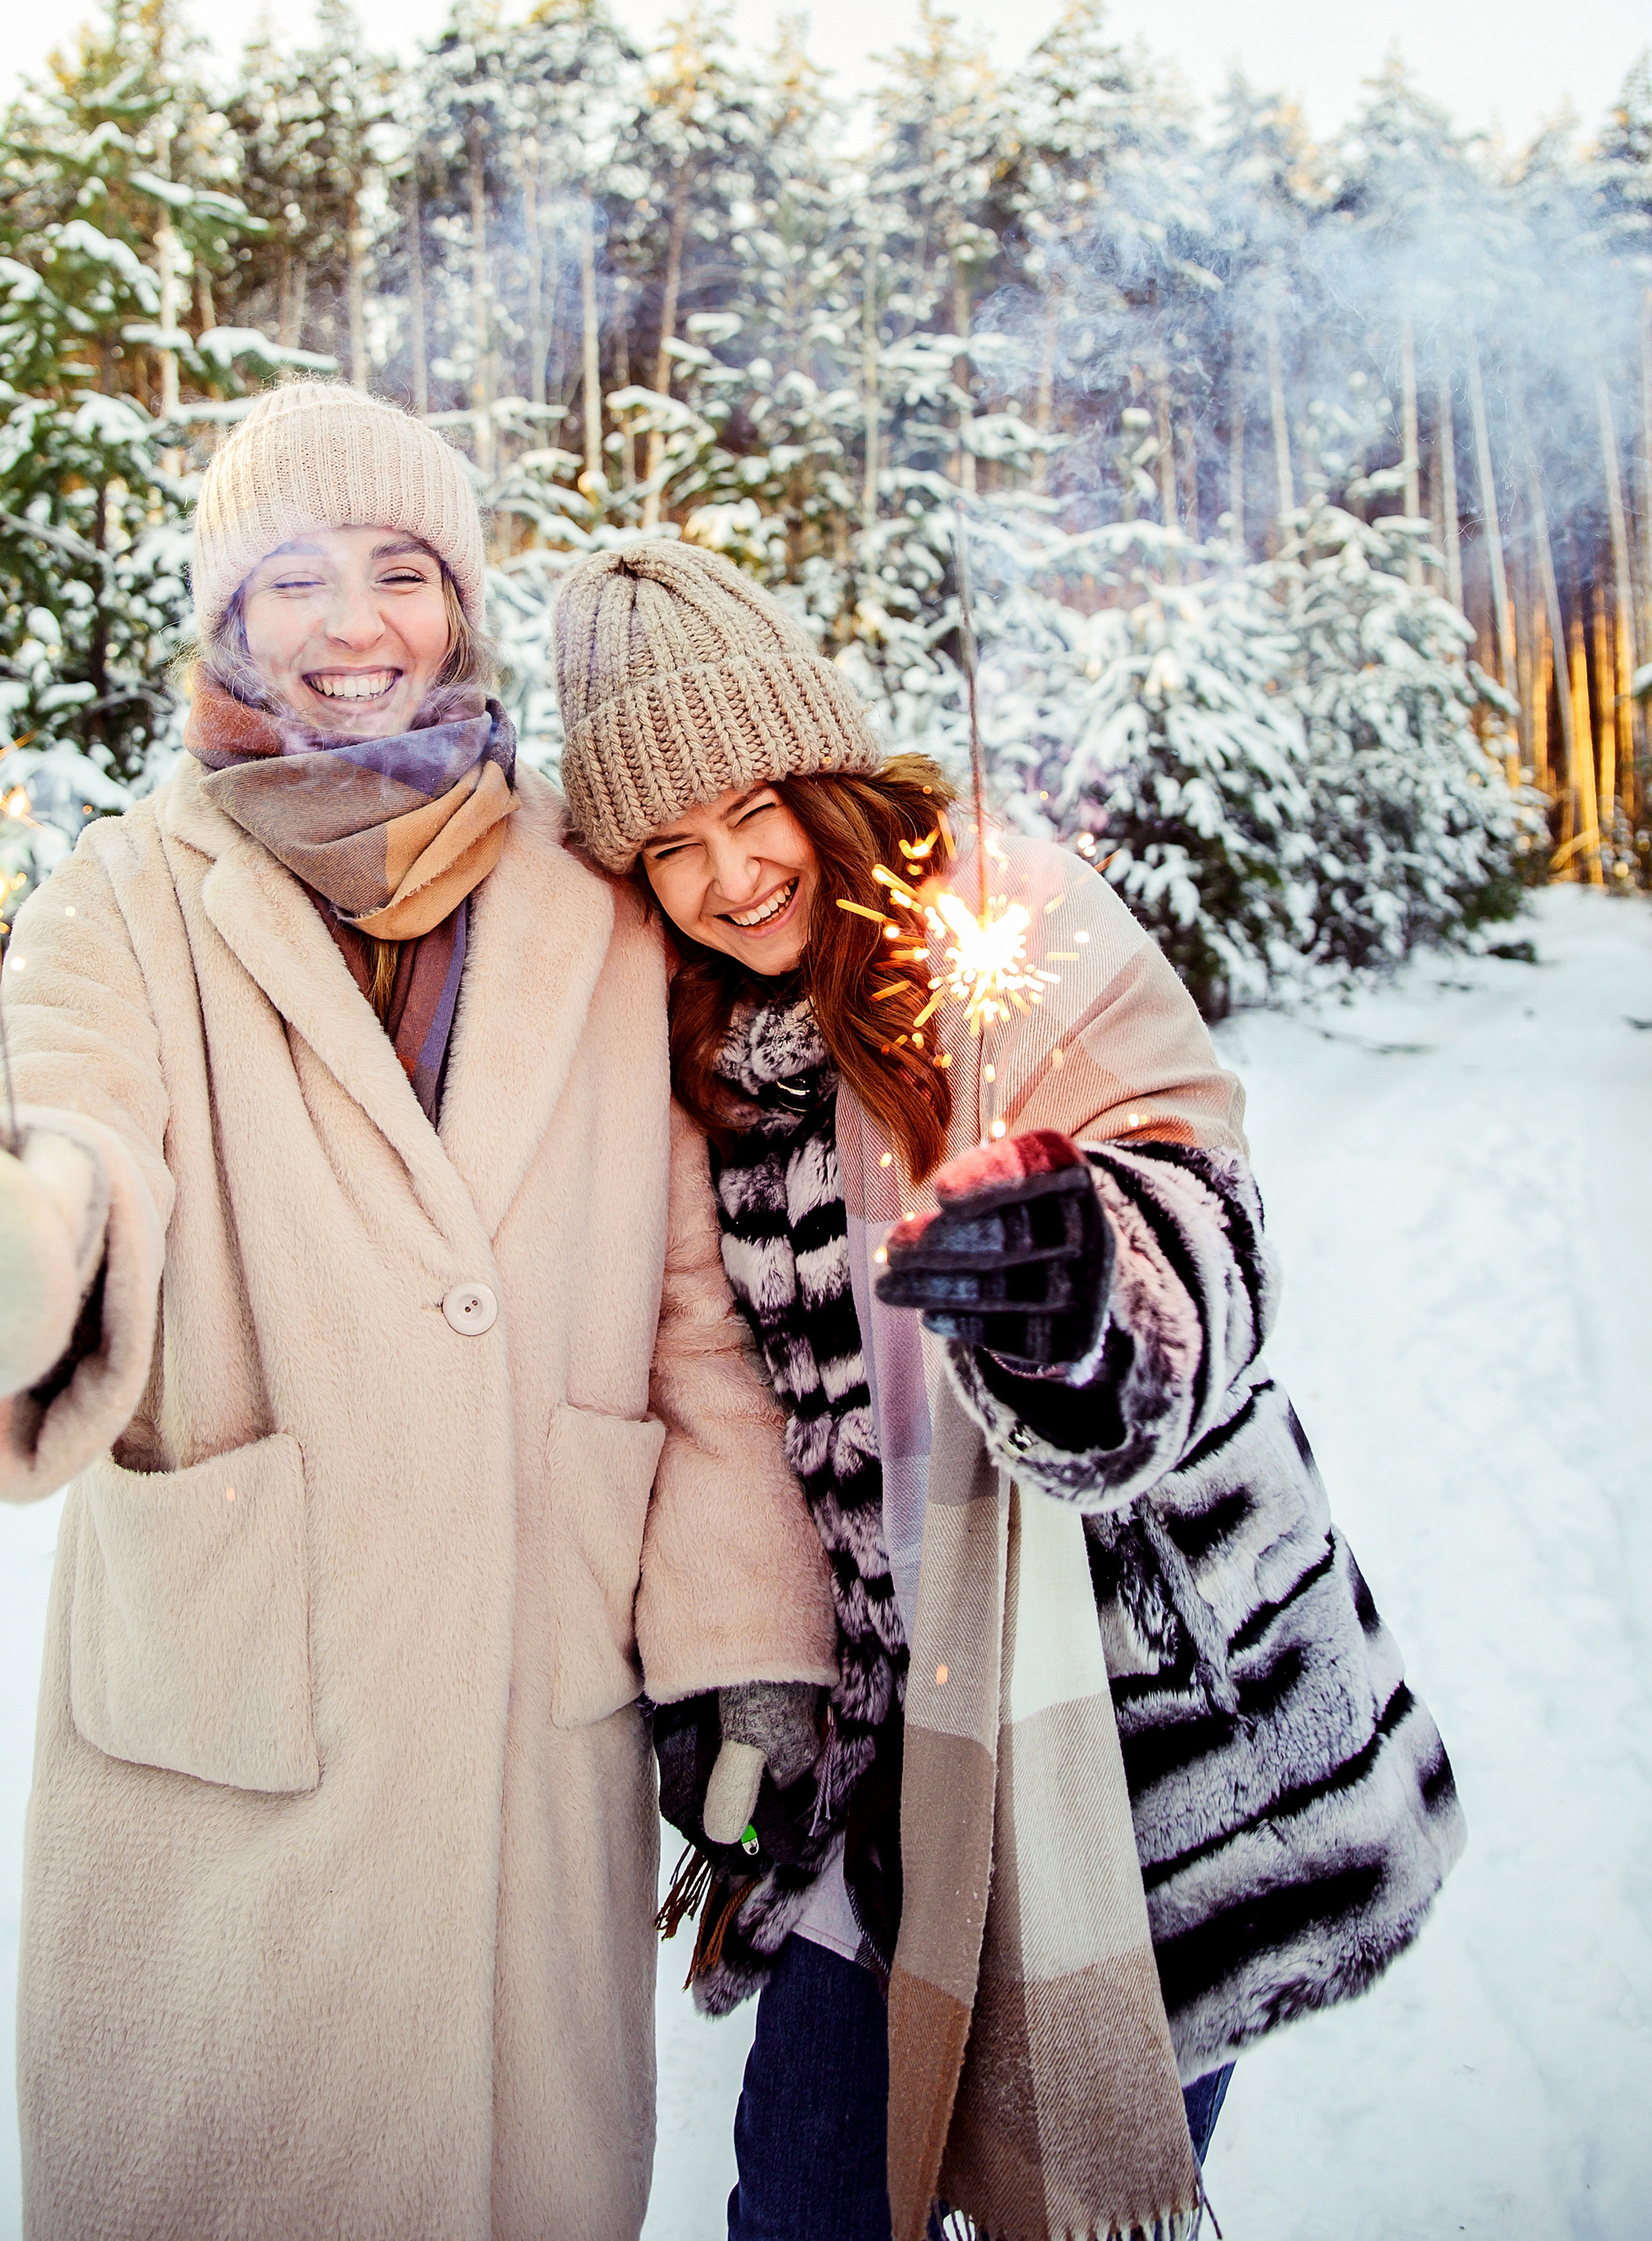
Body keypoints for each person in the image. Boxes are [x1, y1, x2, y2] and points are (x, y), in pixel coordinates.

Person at [0, 383, 838, 2241]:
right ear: (228, 616)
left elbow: (689, 1313)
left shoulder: (596, 900)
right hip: (245, 1746)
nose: (354, 624)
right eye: (295, 579)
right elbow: (79, 1127)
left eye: (402, 570)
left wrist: (739, 1635)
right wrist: (20, 1227)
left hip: (525, 1738)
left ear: (460, 602)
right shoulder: (123, 898)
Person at [552, 538, 1465, 2241]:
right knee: (809, 2196)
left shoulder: (1002, 923)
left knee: (1081, 2195)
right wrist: (728, 1673)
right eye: (666, 848)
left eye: (751, 807)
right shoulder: (692, 1068)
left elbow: (1202, 1201)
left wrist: (1083, 1286)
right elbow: (704, 1394)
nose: (731, 875)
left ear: (818, 775)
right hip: (874, 1735)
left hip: (1126, 1726)